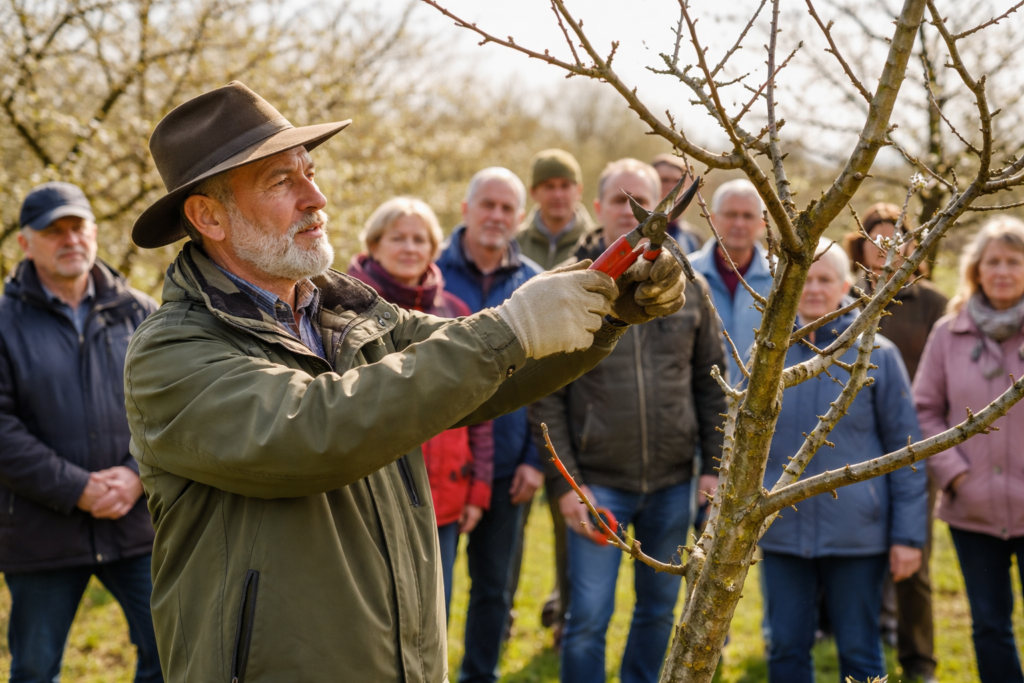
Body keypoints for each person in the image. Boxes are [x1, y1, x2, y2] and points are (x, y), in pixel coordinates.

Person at [123, 81, 688, 681]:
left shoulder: (347, 316)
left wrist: (610, 302)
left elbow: (483, 372)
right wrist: (511, 330)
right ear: (208, 215)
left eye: (309, 172)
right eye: (281, 182)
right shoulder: (171, 353)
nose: (316, 197)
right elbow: (313, 428)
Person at [531, 157, 725, 683]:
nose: (632, 210)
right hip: (598, 484)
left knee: (658, 610)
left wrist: (714, 466)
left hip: (671, 484)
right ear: (597, 208)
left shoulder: (690, 286)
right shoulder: (567, 284)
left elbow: (712, 381)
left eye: (641, 198)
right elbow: (544, 396)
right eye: (619, 199)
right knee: (588, 617)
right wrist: (567, 483)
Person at [0, 182, 160, 683]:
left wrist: (137, 476)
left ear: (94, 233)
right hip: (39, 534)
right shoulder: (2, 324)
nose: (69, 239)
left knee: (172, 655)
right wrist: (78, 489)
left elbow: (174, 411)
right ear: (26, 243)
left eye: (78, 227)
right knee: (34, 670)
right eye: (54, 231)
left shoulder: (142, 313)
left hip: (138, 526)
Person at [759, 238, 927, 683]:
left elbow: (906, 452)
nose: (814, 289)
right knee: (786, 648)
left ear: (846, 286)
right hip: (780, 531)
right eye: (806, 280)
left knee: (859, 649)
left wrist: (908, 535)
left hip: (857, 533)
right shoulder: (767, 356)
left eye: (825, 279)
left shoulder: (878, 355)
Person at [346, 196, 493, 620]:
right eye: (398, 238)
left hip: (442, 495)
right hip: (370, 495)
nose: (409, 247)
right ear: (374, 244)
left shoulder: (456, 313)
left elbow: (480, 403)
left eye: (419, 239)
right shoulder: (346, 310)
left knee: (432, 613)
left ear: (432, 248)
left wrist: (478, 487)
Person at [435, 167, 546, 682]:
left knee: (495, 588)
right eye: (488, 205)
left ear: (520, 219)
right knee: (432, 588)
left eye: (507, 209)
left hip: (507, 465)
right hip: (439, 466)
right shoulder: (432, 276)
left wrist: (533, 460)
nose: (496, 216)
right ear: (466, 209)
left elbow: (551, 380)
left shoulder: (536, 284)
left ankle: (481, 675)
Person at [914, 216, 1024, 683]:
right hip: (971, 507)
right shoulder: (948, 332)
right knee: (989, 624)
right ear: (976, 269)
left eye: (1014, 261)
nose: (1002, 271)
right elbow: (924, 411)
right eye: (992, 261)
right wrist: (956, 474)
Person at [845, 202, 947, 682]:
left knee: (913, 558)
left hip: (913, 449)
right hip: (853, 446)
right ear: (861, 245)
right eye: (877, 239)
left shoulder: (933, 305)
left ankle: (919, 661)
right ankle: (848, 638)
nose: (888, 250)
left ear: (914, 245)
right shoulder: (845, 301)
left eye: (897, 239)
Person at [690, 179, 774, 383]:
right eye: (731, 214)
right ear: (714, 218)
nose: (739, 224)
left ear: (762, 223)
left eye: (747, 216)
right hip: (701, 403)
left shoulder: (782, 277)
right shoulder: (686, 273)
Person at [515, 149, 595, 270]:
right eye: (549, 186)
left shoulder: (596, 244)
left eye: (565, 185)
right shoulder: (514, 244)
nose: (558, 195)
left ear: (578, 191)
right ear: (533, 192)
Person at [650, 153, 704, 254]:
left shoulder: (693, 238)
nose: (672, 188)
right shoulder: (633, 228)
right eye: (664, 180)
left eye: (677, 181)